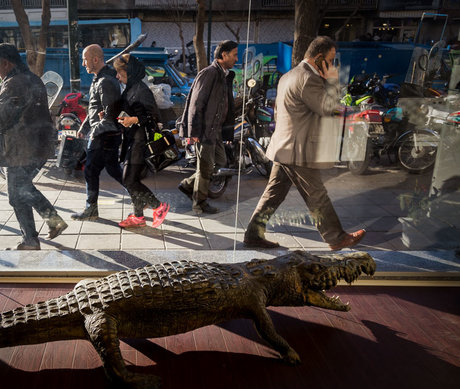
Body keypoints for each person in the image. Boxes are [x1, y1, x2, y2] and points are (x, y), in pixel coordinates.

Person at [243, 36, 366, 250]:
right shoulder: (309, 78)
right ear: (319, 58)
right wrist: (333, 80)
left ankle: (253, 234)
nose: (331, 64)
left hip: (284, 146)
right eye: (330, 59)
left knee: (273, 194)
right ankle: (336, 237)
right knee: (316, 194)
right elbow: (328, 107)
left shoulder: (289, 76)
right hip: (297, 148)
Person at [0, 43, 67, 250]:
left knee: (17, 194)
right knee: (22, 190)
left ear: (6, 63)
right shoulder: (31, 78)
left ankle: (34, 237)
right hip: (35, 146)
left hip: (20, 150)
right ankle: (45, 227)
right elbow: (19, 111)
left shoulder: (14, 83)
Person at [177, 40, 237, 214]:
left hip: (216, 130)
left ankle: (188, 185)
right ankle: (199, 203)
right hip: (205, 130)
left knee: (219, 163)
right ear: (223, 55)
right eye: (234, 54)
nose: (236, 58)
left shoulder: (224, 75)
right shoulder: (209, 73)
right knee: (205, 168)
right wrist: (193, 132)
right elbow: (196, 104)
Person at [113, 54, 170, 228]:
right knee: (131, 180)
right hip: (132, 140)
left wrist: (134, 120)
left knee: (129, 180)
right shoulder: (130, 88)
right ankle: (138, 216)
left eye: (120, 72)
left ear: (130, 72)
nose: (117, 76)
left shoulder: (141, 89)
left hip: (141, 142)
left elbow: (152, 116)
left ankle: (158, 206)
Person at [71, 44, 124, 221]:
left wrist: (94, 132)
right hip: (104, 134)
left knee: (90, 171)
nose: (83, 63)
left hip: (104, 136)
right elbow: (95, 109)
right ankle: (147, 199)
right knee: (114, 170)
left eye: (85, 59)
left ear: (95, 59)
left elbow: (110, 115)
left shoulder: (106, 82)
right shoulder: (99, 79)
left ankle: (91, 210)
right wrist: (84, 127)